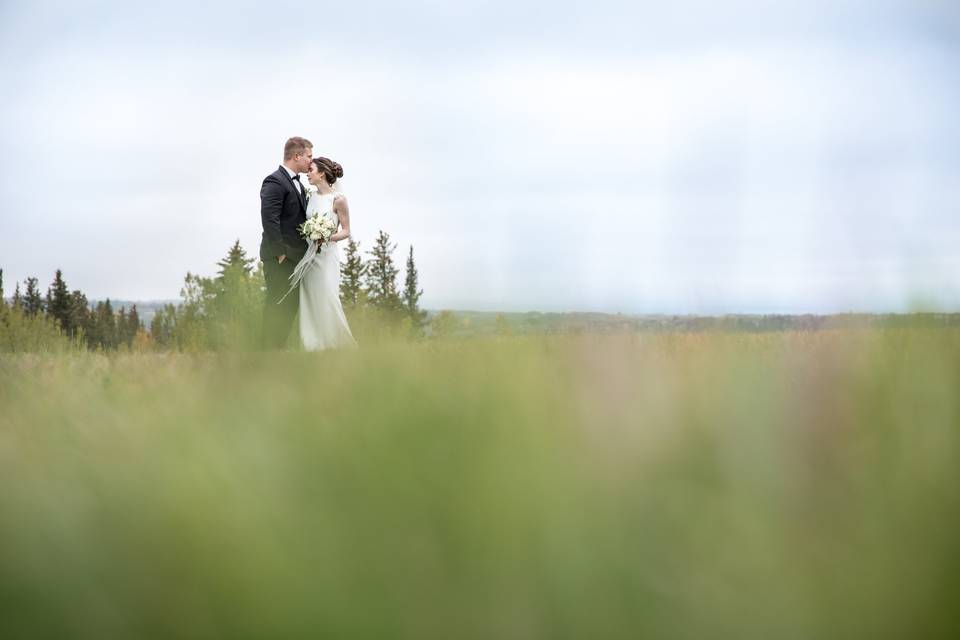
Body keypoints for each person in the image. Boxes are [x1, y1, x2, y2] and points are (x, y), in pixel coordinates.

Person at [295, 157, 358, 350]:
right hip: (309, 256)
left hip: (327, 257)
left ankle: (338, 343)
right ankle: (313, 343)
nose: (308, 173)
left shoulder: (338, 200)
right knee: (309, 297)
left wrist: (326, 237)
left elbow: (346, 231)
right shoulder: (310, 197)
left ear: (321, 173)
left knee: (328, 297)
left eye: (311, 170)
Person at [259, 136, 312, 349]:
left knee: (290, 307)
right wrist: (280, 253)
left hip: (296, 258)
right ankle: (265, 352)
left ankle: (276, 350)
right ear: (296, 156)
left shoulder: (298, 184)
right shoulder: (274, 181)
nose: (311, 161)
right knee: (277, 304)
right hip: (280, 258)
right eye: (309, 156)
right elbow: (269, 218)